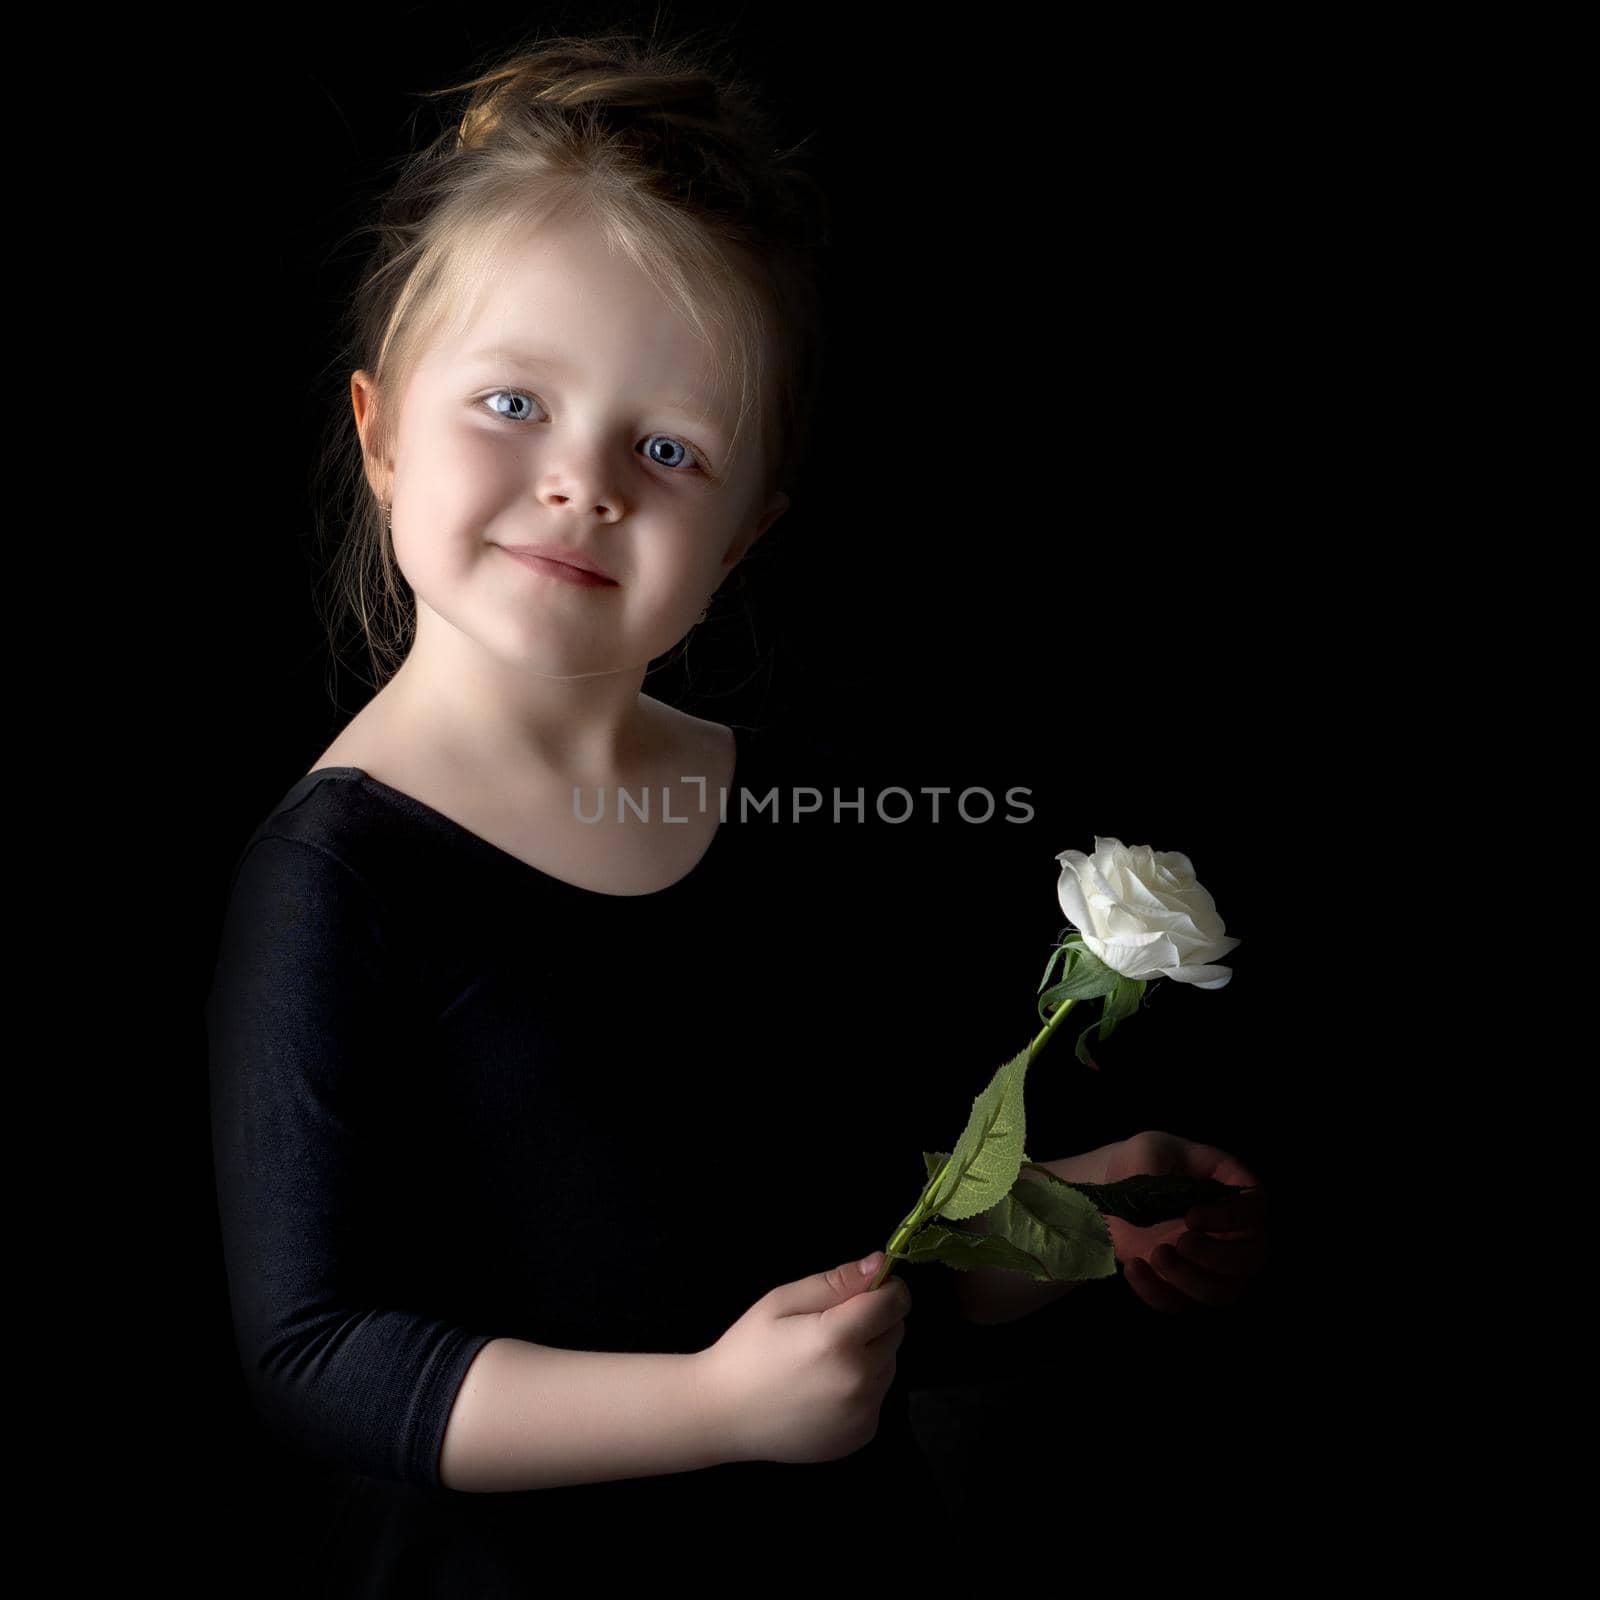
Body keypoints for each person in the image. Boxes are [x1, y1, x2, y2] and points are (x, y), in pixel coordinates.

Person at [205, 28, 1268, 1592]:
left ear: (743, 531)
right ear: (377, 432)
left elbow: (853, 1257)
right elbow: (319, 1351)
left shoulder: (781, 811)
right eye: (512, 402)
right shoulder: (340, 873)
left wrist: (1065, 1220)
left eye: (664, 448)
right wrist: (708, 1406)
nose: (584, 484)